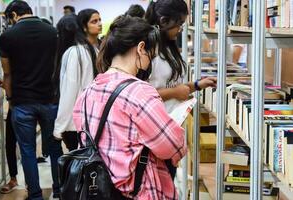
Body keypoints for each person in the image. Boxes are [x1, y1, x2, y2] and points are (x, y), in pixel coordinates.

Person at [73, 15, 186, 199]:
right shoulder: (139, 92)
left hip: (98, 189)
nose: (150, 62)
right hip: (137, 190)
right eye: (152, 55)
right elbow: (172, 146)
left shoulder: (89, 90)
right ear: (141, 48)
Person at [145, 0, 217, 178]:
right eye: (179, 24)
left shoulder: (168, 46)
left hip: (172, 129)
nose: (181, 29)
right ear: (163, 21)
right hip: (154, 133)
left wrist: (198, 85)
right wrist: (174, 93)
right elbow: (139, 96)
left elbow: (174, 85)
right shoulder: (146, 48)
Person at [0, 1, 63, 199]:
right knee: (54, 149)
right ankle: (58, 191)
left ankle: (35, 195)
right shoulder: (52, 32)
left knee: (27, 151)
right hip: (49, 99)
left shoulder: (7, 37)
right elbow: (57, 67)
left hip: (22, 102)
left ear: (14, 15)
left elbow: (7, 74)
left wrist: (10, 98)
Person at [53, 9, 102, 151]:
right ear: (84, 27)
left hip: (79, 123)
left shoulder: (77, 52)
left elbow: (69, 91)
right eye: (94, 21)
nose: (99, 24)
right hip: (91, 120)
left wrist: (59, 127)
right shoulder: (82, 52)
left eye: (99, 20)